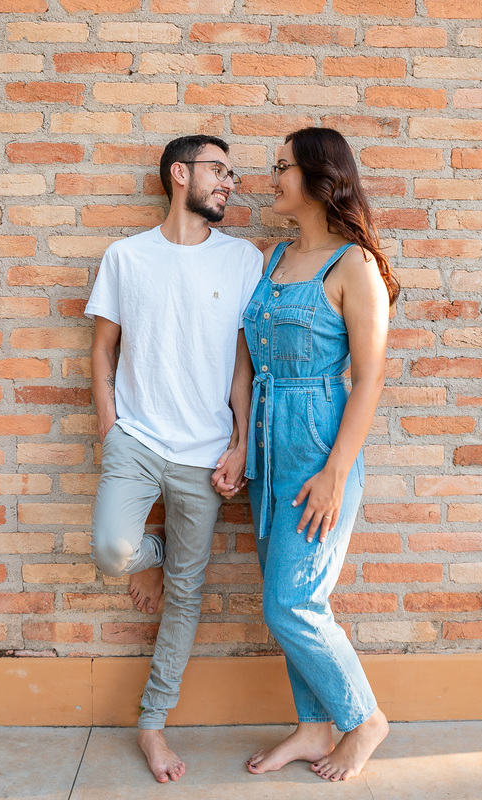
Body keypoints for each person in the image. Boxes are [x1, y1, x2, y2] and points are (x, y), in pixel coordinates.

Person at [85, 134, 262, 783]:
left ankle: (152, 725)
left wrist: (240, 442)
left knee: (186, 595)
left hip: (204, 456)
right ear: (179, 173)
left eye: (231, 172)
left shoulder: (244, 260)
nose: (229, 182)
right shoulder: (126, 258)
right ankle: (148, 555)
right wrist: (110, 425)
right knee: (111, 550)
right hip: (135, 441)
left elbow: (243, 366)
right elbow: (103, 348)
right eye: (218, 170)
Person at [241, 127, 400, 782]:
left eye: (282, 167)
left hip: (317, 444)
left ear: (317, 177)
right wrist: (238, 441)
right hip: (266, 445)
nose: (272, 178)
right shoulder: (276, 257)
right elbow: (246, 358)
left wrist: (335, 474)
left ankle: (363, 720)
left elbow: (370, 377)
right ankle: (313, 729)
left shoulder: (354, 265)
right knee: (285, 597)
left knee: (292, 603)